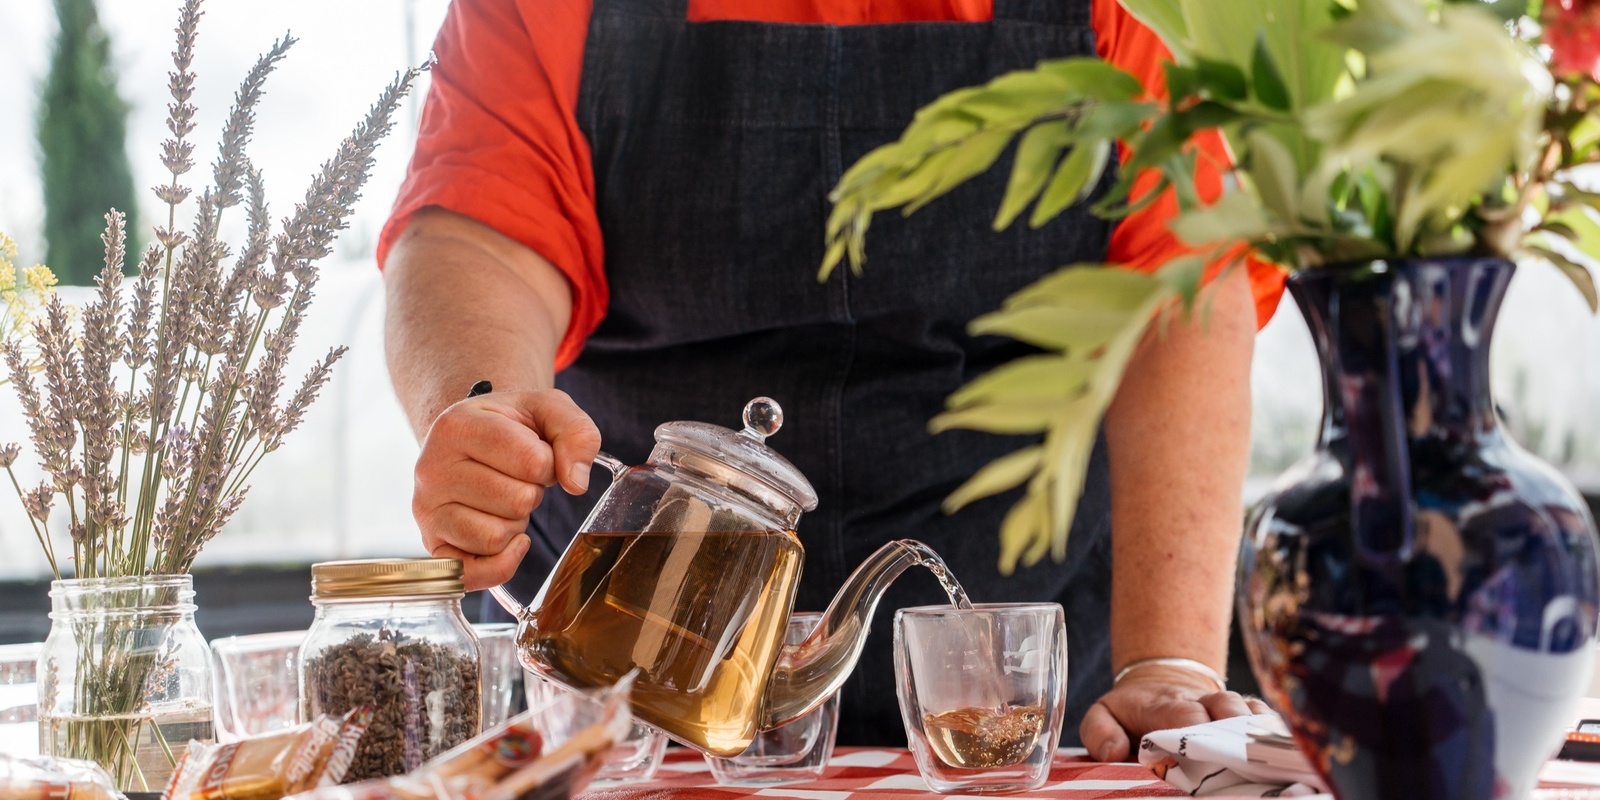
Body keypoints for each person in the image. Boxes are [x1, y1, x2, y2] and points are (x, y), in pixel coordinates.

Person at [379, 0, 1284, 762]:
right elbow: (477, 235)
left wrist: (1169, 664)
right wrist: (482, 408)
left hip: (1030, 705)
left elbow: (1182, 291)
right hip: (625, 682)